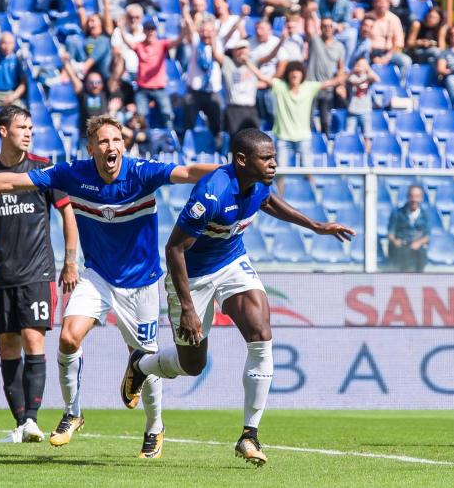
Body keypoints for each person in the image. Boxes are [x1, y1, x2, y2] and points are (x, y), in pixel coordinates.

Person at [0, 115, 223, 458]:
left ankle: (154, 427)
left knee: (145, 360)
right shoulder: (72, 174)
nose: (112, 147)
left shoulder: (142, 172)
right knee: (67, 336)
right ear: (91, 148)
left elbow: (188, 172)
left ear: (124, 145)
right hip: (99, 277)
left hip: (142, 283)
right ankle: (73, 412)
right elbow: (10, 183)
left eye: (117, 140)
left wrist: (232, 173)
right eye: (104, 142)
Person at [123, 128, 355, 466]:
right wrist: (188, 307)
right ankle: (142, 364)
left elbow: (268, 200)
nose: (273, 164)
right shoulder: (212, 193)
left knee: (261, 331)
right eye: (266, 158)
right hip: (193, 275)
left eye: (274, 157)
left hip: (232, 262)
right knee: (193, 364)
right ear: (242, 160)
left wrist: (316, 226)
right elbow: (174, 249)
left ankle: (249, 435)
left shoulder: (258, 181)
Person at [0, 105, 79, 444]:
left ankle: (31, 419)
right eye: (21, 127)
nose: (28, 133)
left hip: (38, 271)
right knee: (7, 347)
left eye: (31, 128)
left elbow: (67, 216)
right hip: (1, 274)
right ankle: (21, 424)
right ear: (2, 131)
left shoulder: (44, 169)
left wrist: (70, 261)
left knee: (33, 338)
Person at [247, 60, 345, 167]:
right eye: (292, 71)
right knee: (281, 173)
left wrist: (352, 72)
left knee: (308, 171)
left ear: (302, 74)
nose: (295, 73)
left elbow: (332, 82)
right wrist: (247, 62)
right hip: (283, 138)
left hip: (303, 138)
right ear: (288, 74)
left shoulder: (309, 87)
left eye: (297, 71)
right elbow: (262, 77)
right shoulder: (280, 87)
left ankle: (311, 184)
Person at [181, 0, 225, 142]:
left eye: (210, 31)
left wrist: (213, 42)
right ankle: (186, 146)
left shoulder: (219, 43)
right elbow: (189, 24)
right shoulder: (196, 42)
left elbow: (220, 60)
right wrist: (185, 10)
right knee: (188, 122)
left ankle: (218, 146)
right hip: (195, 91)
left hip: (212, 92)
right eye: (204, 30)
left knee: (217, 123)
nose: (206, 34)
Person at [123, 20, 175, 130]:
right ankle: (144, 140)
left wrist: (186, 25)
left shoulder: (162, 44)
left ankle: (171, 138)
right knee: (141, 116)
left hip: (159, 88)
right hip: (143, 88)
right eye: (148, 29)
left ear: (156, 31)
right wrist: (121, 29)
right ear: (144, 31)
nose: (150, 32)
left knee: (167, 114)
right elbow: (128, 42)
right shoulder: (140, 45)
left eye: (152, 29)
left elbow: (178, 41)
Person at [306, 16, 345, 136]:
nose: (327, 28)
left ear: (333, 28)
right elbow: (308, 28)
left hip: (328, 87)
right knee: (308, 119)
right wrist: (310, 12)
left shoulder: (339, 47)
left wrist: (340, 85)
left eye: (330, 26)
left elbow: (340, 68)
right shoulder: (315, 41)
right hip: (311, 87)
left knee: (325, 120)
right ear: (320, 28)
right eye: (324, 26)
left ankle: (325, 146)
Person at [387, 184, 430, 272]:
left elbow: (427, 236)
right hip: (401, 249)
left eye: (417, 196)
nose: (414, 199)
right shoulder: (397, 213)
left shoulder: (425, 215)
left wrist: (418, 243)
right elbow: (390, 233)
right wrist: (396, 241)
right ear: (408, 197)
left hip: (417, 251)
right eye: (412, 196)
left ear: (421, 198)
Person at [369, 0, 412, 79]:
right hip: (370, 52)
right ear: (373, 3)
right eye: (378, 1)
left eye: (384, 2)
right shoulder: (367, 17)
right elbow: (362, 39)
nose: (381, 4)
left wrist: (386, 57)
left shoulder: (394, 19)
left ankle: (400, 87)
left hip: (388, 52)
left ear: (388, 4)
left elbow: (399, 43)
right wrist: (373, 56)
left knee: (406, 61)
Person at [223, 43, 261, 137]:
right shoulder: (228, 63)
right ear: (233, 52)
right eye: (238, 49)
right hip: (234, 108)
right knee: (236, 139)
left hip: (251, 108)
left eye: (244, 48)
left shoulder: (253, 62)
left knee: (253, 138)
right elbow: (216, 53)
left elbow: (270, 56)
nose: (241, 52)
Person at [345, 57, 379, 148]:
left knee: (367, 135)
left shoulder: (368, 77)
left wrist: (368, 69)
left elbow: (377, 79)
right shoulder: (352, 76)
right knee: (349, 133)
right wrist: (353, 70)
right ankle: (350, 151)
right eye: (358, 65)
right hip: (353, 110)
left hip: (365, 110)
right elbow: (350, 80)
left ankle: (366, 155)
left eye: (363, 65)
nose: (360, 67)